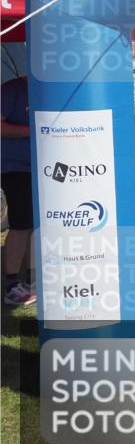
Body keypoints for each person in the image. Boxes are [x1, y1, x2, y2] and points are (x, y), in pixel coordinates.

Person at [1, 76, 35, 306]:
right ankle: (12, 285)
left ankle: (33, 279)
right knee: (22, 225)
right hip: (15, 167)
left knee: (38, 225)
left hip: (48, 167)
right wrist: (32, 129)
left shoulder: (51, 88)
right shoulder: (11, 89)